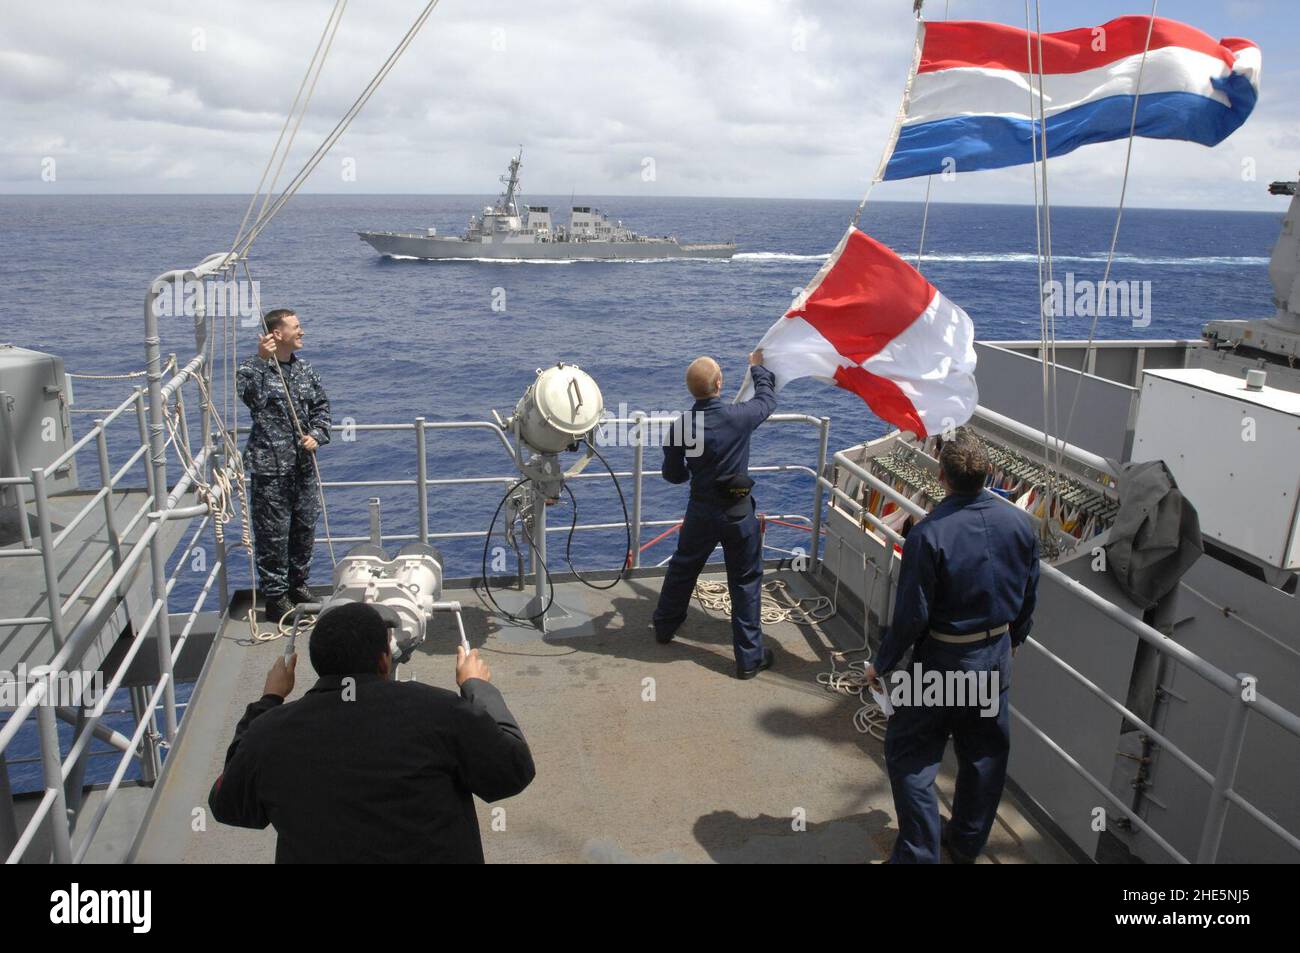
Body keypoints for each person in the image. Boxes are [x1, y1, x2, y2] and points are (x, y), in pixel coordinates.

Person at [208, 602, 536, 863]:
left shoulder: (268, 734)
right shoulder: (440, 711)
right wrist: (477, 687)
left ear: (315, 664)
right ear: (384, 660)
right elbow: (513, 770)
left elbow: (227, 805)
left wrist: (269, 700)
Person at [864, 428, 1039, 864]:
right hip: (993, 659)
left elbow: (912, 617)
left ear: (941, 477)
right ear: (989, 474)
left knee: (910, 756)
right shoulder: (1021, 525)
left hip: (942, 663)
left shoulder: (929, 535)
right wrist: (1012, 640)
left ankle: (920, 855)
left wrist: (881, 664)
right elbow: (1029, 594)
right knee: (983, 758)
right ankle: (964, 843)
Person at [652, 350, 778, 679]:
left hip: (701, 513)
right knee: (745, 581)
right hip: (738, 514)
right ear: (719, 384)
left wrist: (688, 475)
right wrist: (757, 369)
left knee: (683, 568)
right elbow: (767, 399)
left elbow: (673, 473)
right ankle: (749, 660)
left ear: (691, 389)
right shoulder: (740, 417)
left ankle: (664, 628)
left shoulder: (682, 427)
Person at [236, 308, 331, 622]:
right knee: (273, 535)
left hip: (302, 468)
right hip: (271, 468)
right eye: (296, 326)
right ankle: (276, 599)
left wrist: (317, 435)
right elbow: (251, 398)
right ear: (277, 333)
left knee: (303, 529)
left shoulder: (305, 371)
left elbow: (321, 407)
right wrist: (263, 361)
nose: (301, 331)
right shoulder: (253, 369)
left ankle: (298, 585)